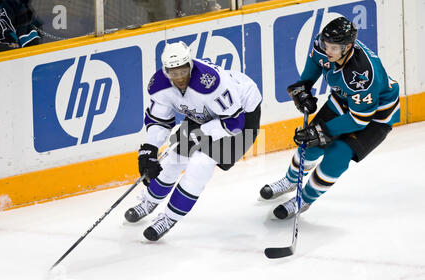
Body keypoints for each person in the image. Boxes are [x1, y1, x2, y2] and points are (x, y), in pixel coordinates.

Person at [260, 16, 400, 219]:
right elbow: (316, 61)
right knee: (310, 145)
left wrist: (322, 131)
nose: (328, 51)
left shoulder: (362, 75)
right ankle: (291, 181)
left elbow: (360, 119)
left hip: (375, 116)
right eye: (327, 45)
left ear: (348, 47)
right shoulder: (323, 44)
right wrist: (303, 88)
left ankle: (304, 200)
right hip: (343, 100)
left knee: (337, 154)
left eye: (334, 48)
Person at [124, 41, 262, 241]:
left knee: (200, 163)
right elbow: (159, 120)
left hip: (242, 115)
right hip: (206, 114)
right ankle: (150, 200)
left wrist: (201, 132)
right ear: (166, 70)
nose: (179, 78)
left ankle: (169, 218)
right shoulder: (160, 85)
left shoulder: (211, 83)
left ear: (190, 65)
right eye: (173, 73)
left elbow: (234, 123)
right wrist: (150, 149)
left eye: (183, 71)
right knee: (175, 155)